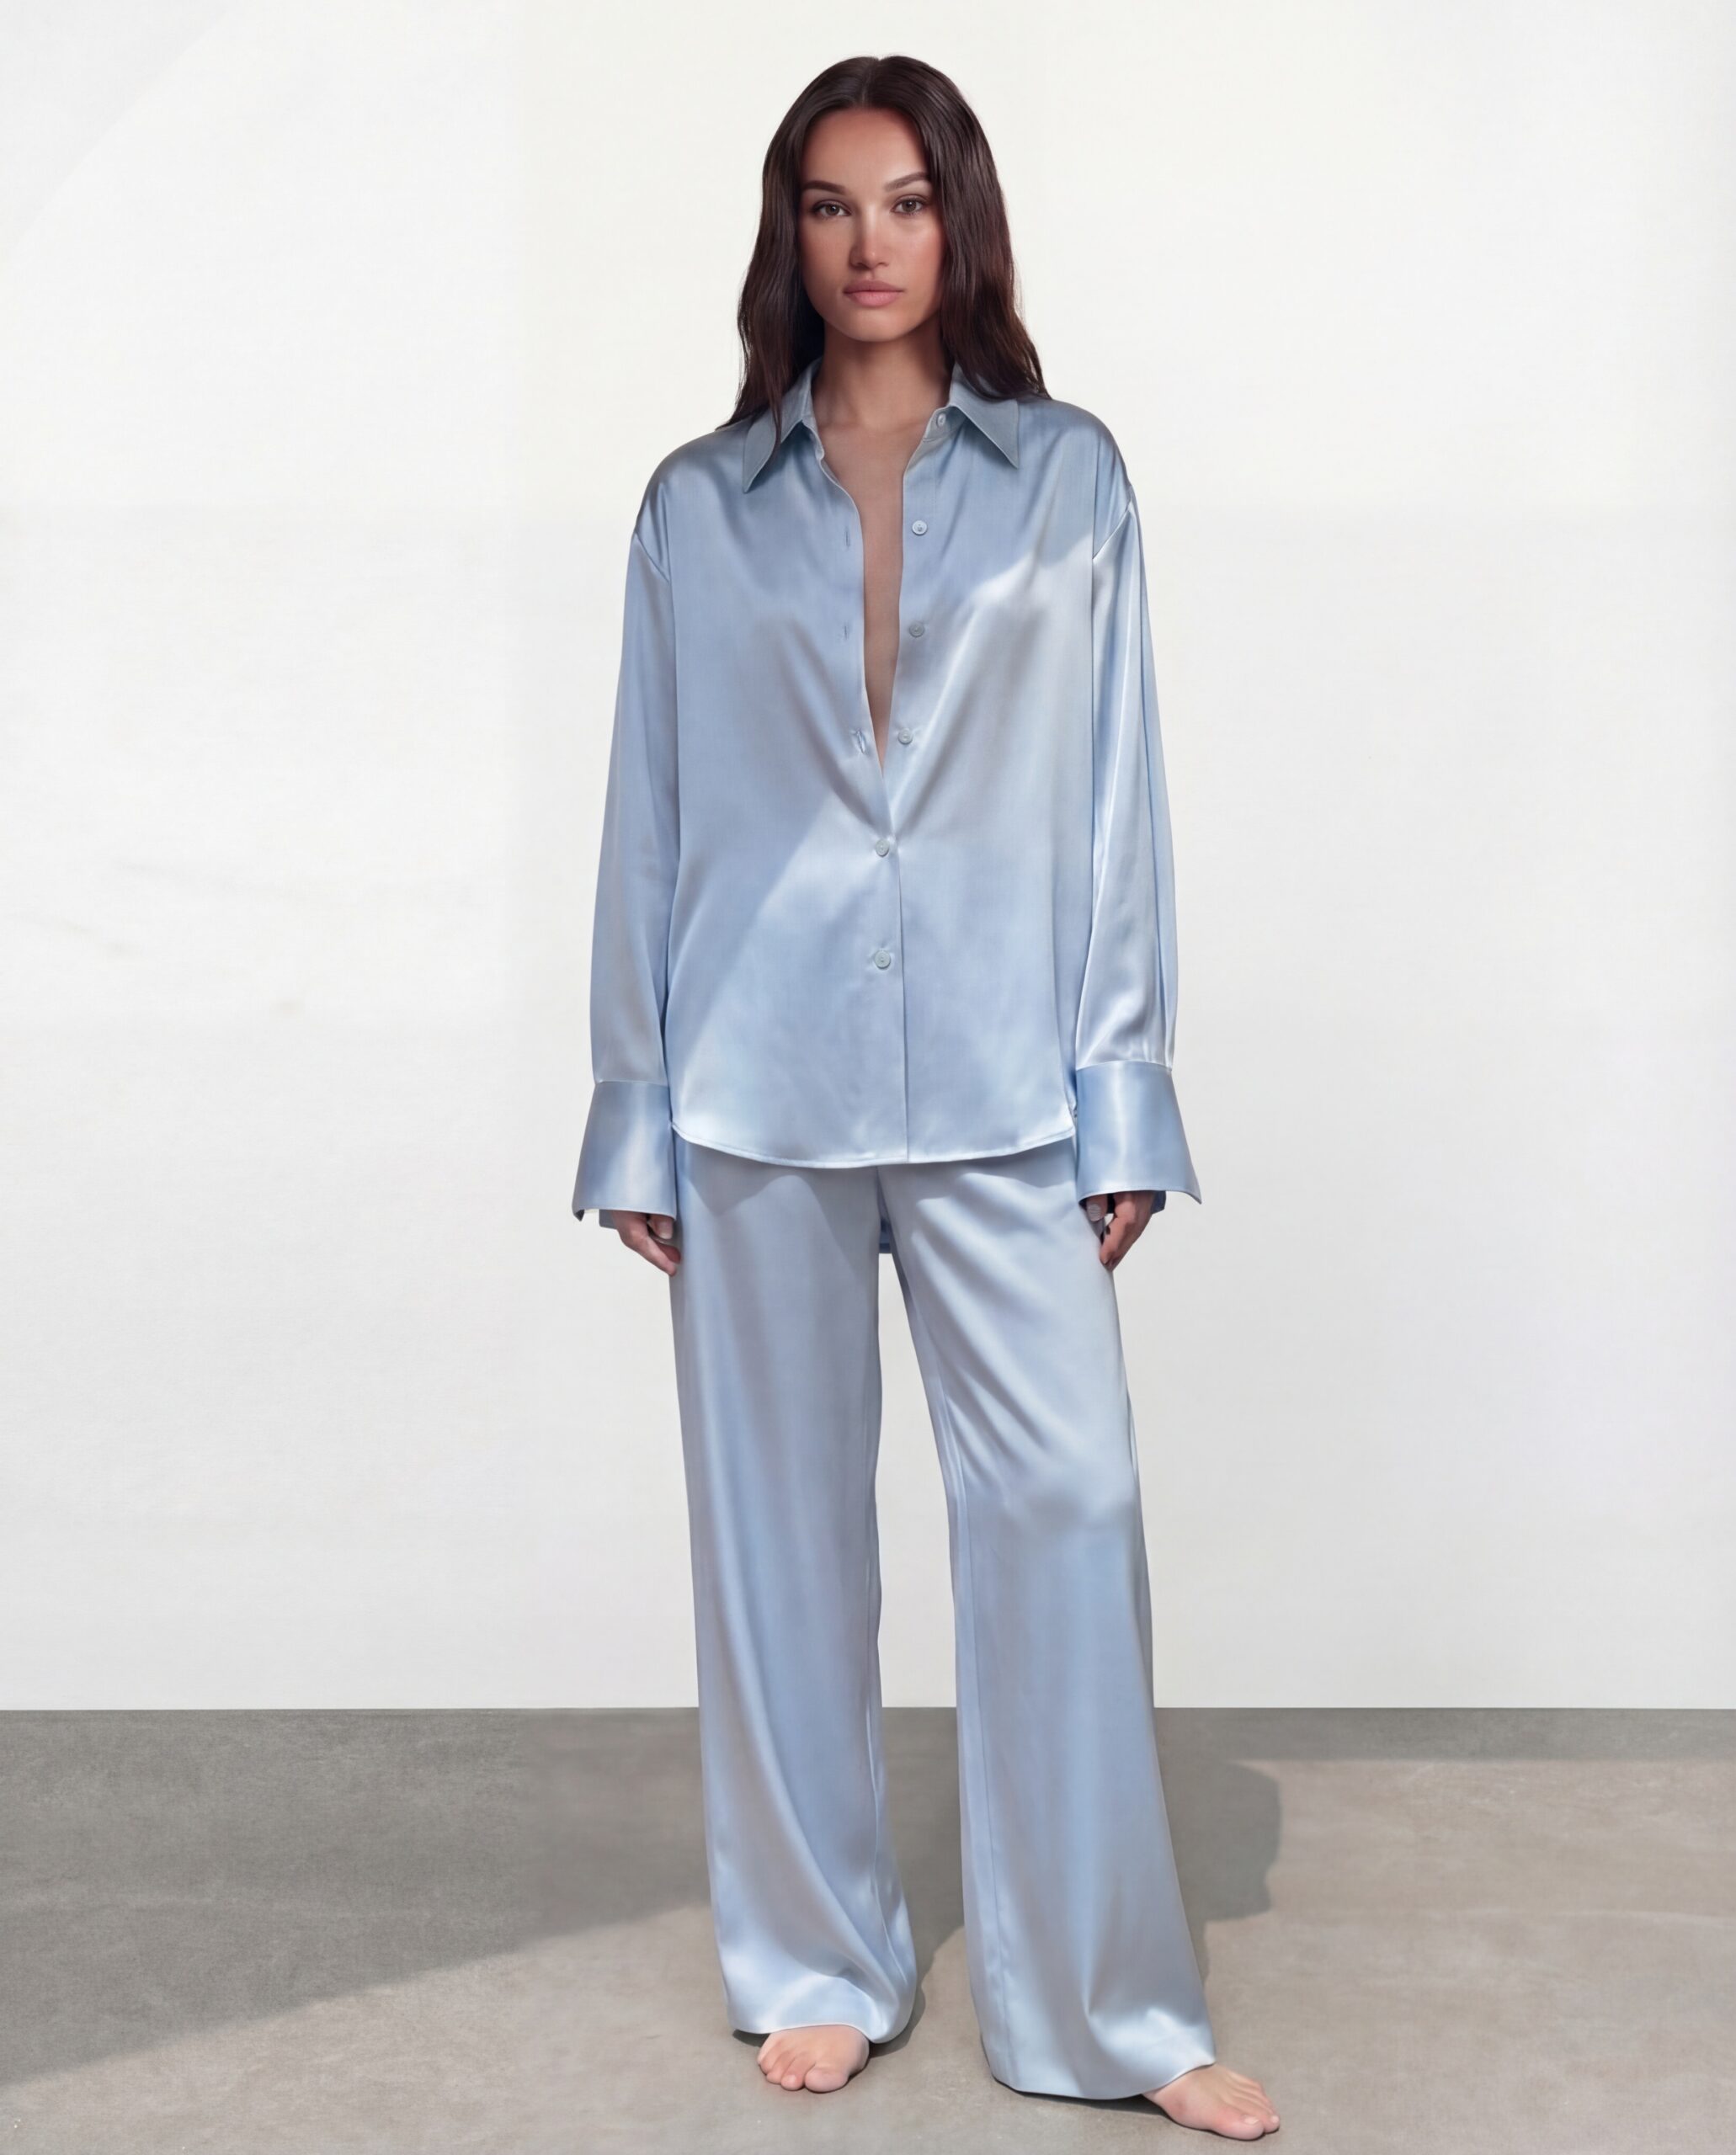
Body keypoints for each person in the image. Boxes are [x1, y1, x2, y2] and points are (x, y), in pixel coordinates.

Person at [571, 53, 1280, 2142]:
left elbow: (1115, 798)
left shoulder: (1069, 481)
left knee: (1065, 1506)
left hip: (998, 1079)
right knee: (777, 1546)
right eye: (828, 204)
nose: (867, 244)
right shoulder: (695, 508)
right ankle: (815, 1957)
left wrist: (1120, 1090)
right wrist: (632, 1101)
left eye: (902, 201)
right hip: (753, 1080)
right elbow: (647, 817)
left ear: (957, 222)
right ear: (784, 235)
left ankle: (1105, 2006)